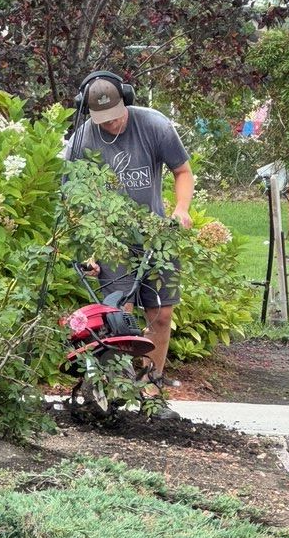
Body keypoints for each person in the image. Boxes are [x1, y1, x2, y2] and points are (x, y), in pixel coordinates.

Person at [65, 71, 195, 420]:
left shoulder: (154, 125)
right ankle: (116, 387)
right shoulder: (81, 141)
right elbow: (71, 198)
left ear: (127, 99)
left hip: (155, 235)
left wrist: (181, 210)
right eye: (102, 120)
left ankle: (152, 391)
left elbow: (182, 171)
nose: (111, 124)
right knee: (117, 314)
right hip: (109, 239)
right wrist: (88, 246)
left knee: (161, 313)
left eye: (116, 116)